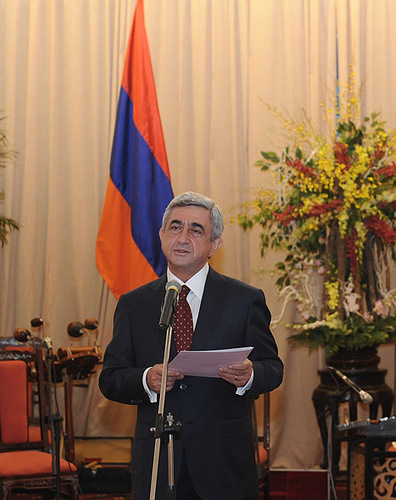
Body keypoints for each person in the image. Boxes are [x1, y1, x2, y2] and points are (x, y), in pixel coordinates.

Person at [99, 191, 284, 499]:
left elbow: (273, 369)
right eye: (175, 227)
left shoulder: (244, 299)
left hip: (223, 464)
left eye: (196, 230)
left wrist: (250, 375)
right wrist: (146, 379)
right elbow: (111, 378)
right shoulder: (134, 304)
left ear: (214, 245)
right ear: (162, 236)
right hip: (158, 460)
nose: (183, 237)